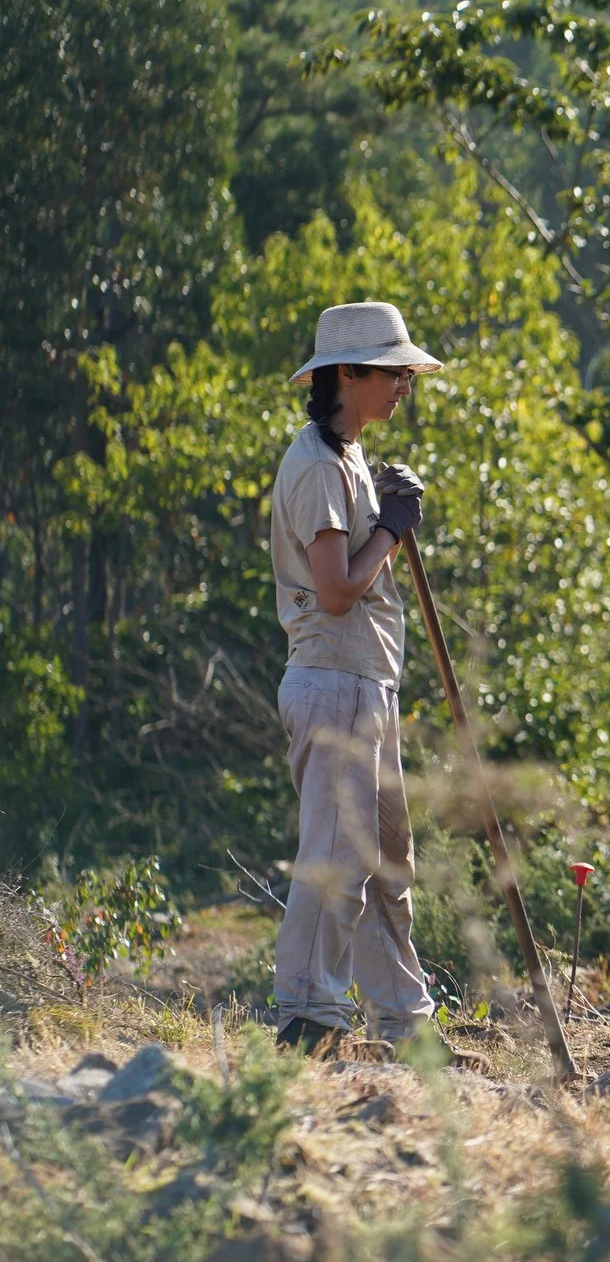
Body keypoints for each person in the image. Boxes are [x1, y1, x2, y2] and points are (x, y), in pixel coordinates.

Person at [267, 301, 443, 1053]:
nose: (405, 381)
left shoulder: (349, 458)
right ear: (347, 374)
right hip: (331, 678)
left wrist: (386, 520)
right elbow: (338, 589)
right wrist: (393, 530)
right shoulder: (313, 463)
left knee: (385, 866)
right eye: (391, 370)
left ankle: (406, 1025)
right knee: (338, 862)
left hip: (367, 679)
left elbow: (360, 575)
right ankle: (309, 1017)